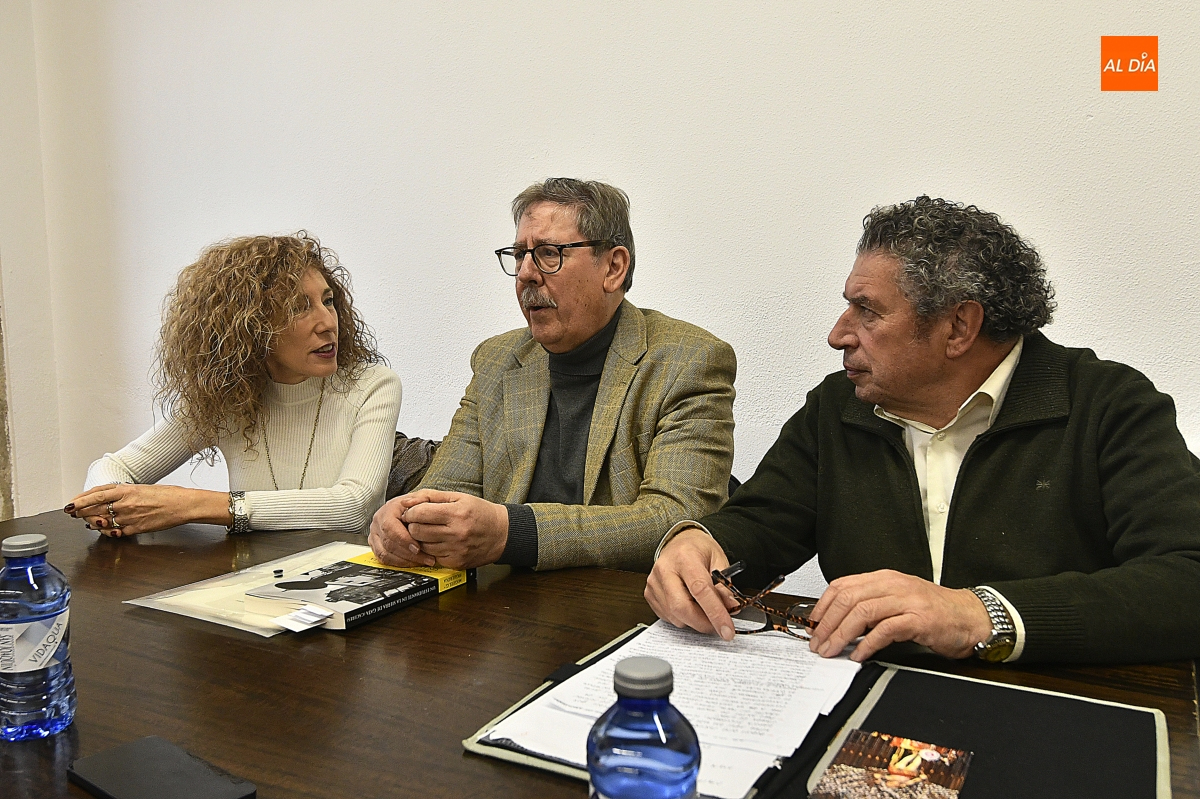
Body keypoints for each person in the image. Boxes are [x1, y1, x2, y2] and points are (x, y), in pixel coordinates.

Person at [646, 196, 1200, 665]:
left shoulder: (1108, 406)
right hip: (866, 705)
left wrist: (977, 613)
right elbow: (762, 522)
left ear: (958, 325)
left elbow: (1184, 580)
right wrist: (699, 544)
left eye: (867, 311)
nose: (839, 335)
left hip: (1050, 710)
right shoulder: (839, 407)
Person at [370, 178, 736, 572]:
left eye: (548, 254)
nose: (526, 273)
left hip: (626, 610)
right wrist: (403, 518)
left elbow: (675, 520)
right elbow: (445, 490)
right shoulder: (497, 360)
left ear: (613, 267)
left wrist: (511, 532)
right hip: (502, 607)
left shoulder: (689, 360)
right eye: (519, 255)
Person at [66, 233, 403, 537]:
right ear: (250, 327)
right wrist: (109, 511)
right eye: (300, 308)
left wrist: (190, 506)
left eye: (327, 301)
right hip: (248, 585)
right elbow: (113, 466)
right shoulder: (231, 398)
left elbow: (353, 508)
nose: (328, 322)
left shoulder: (372, 387)